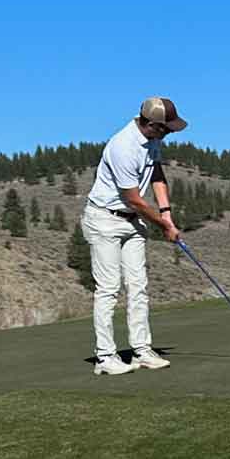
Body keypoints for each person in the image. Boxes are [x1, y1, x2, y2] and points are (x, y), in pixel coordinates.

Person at [84, 97, 186, 374]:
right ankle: (105, 357)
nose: (170, 134)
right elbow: (135, 200)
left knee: (138, 285)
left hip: (132, 222)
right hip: (105, 220)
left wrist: (166, 212)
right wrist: (164, 227)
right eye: (167, 129)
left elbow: (156, 174)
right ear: (152, 125)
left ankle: (141, 350)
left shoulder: (152, 140)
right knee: (108, 289)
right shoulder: (123, 147)